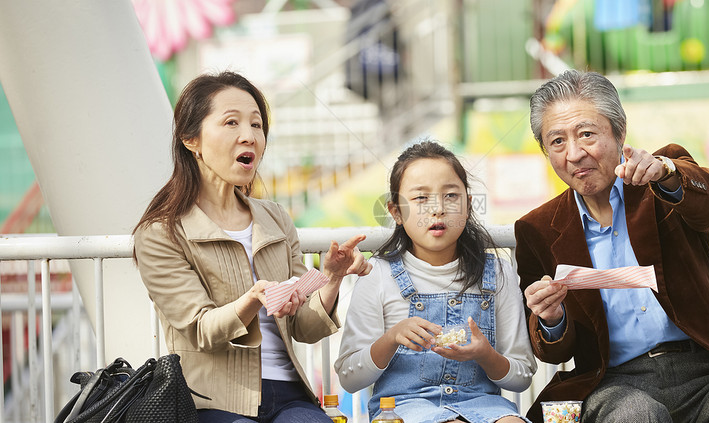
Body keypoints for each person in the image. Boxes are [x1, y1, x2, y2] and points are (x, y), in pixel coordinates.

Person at [514, 69, 709, 423]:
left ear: (619, 133)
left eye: (587, 134)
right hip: (612, 381)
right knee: (636, 414)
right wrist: (551, 318)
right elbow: (555, 351)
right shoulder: (536, 229)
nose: (574, 154)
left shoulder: (660, 178)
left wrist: (666, 173)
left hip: (707, 369)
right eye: (557, 141)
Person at [132, 71, 371, 423]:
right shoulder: (161, 233)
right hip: (213, 401)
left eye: (256, 125)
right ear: (191, 139)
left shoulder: (275, 218)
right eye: (231, 123)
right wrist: (253, 298)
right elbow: (200, 330)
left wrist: (331, 278)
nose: (249, 136)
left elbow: (304, 327)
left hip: (290, 396)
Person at [335, 141, 536, 423]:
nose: (438, 209)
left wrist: (486, 355)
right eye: (420, 199)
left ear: (468, 205)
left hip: (486, 406)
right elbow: (349, 378)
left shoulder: (498, 273)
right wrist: (392, 338)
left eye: (451, 196)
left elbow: (522, 377)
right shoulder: (377, 274)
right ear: (396, 212)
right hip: (402, 409)